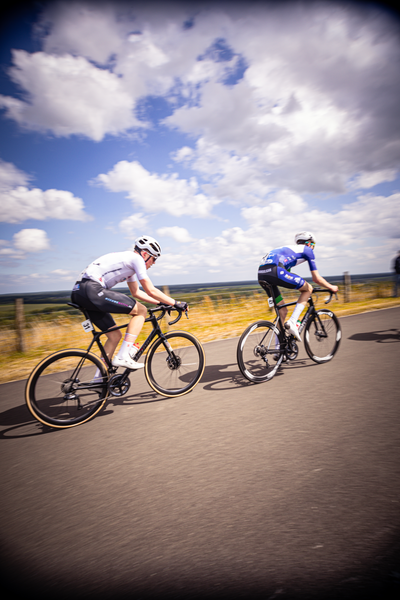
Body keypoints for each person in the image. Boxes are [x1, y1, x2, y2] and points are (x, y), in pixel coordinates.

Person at [71, 235, 188, 372]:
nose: (154, 263)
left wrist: (160, 302)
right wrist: (175, 303)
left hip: (80, 292)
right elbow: (149, 289)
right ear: (145, 254)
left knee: (115, 335)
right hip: (91, 289)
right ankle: (123, 356)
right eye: (154, 259)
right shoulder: (136, 259)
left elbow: (136, 292)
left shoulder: (129, 262)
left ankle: (99, 380)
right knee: (141, 311)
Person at [257, 232, 338, 343]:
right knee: (308, 288)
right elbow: (316, 279)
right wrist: (331, 287)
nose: (313, 248)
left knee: (282, 311)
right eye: (313, 245)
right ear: (309, 243)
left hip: (261, 274)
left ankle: (279, 349)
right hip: (275, 271)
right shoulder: (307, 250)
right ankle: (293, 322)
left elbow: (286, 275)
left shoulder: (288, 250)